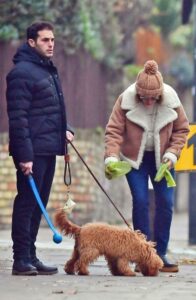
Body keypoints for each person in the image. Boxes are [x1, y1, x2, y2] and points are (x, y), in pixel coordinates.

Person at [104, 60, 189, 272]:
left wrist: (172, 153)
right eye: (144, 98)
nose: (148, 101)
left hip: (163, 159)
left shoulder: (172, 99)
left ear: (160, 94)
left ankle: (160, 251)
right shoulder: (125, 99)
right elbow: (113, 131)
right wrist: (112, 157)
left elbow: (182, 129)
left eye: (152, 98)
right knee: (140, 201)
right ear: (137, 93)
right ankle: (142, 253)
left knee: (165, 202)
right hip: (135, 159)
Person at [6, 21, 74, 275]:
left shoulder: (45, 70)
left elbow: (49, 109)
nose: (51, 44)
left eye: (53, 40)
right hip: (31, 151)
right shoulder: (21, 73)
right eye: (45, 40)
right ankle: (20, 259)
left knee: (39, 204)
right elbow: (18, 117)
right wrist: (24, 156)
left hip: (47, 147)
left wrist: (66, 129)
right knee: (27, 203)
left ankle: (31, 256)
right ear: (31, 42)